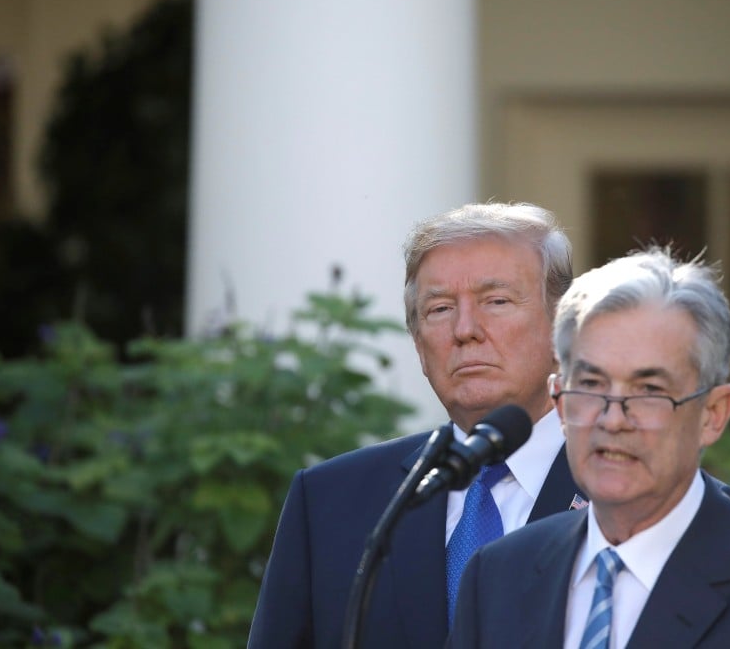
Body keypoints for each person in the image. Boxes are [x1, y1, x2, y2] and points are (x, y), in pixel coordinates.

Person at [447, 248, 730, 649]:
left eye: (649, 390)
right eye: (591, 385)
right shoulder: (498, 574)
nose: (612, 419)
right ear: (559, 401)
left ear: (713, 414)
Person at [248, 202, 584, 649]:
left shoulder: (628, 489)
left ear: (565, 326)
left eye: (496, 301)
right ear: (418, 342)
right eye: (440, 309)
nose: (465, 329)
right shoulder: (331, 501)